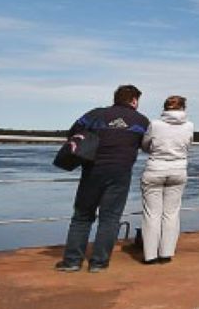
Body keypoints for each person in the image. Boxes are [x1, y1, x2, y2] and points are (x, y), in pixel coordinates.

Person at [56, 84, 150, 273]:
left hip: (93, 169)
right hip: (120, 172)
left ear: (116, 98)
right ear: (134, 100)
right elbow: (146, 144)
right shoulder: (141, 120)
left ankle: (72, 261)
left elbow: (73, 132)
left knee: (82, 216)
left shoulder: (96, 114)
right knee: (110, 218)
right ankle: (99, 263)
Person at [140, 95, 193, 265]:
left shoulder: (155, 125)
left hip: (155, 170)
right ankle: (166, 253)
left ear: (164, 108)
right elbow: (188, 145)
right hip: (178, 171)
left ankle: (150, 256)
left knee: (152, 214)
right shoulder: (189, 126)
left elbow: (145, 145)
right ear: (183, 108)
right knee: (171, 214)